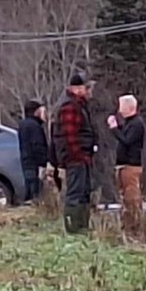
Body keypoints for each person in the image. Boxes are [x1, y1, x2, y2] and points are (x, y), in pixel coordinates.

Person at [52, 72, 97, 234]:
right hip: (76, 159)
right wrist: (77, 155)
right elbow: (70, 136)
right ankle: (73, 229)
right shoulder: (70, 107)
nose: (89, 91)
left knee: (84, 193)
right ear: (77, 89)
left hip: (82, 158)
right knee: (75, 194)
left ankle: (82, 227)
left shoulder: (80, 106)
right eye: (87, 88)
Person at [108, 94, 146, 232]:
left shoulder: (137, 124)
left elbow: (127, 140)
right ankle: (128, 225)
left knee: (132, 198)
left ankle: (135, 225)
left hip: (131, 166)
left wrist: (114, 129)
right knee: (125, 198)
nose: (119, 110)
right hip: (124, 166)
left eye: (121, 106)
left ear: (129, 107)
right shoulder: (129, 123)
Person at [17, 101, 49, 203]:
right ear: (36, 112)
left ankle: (28, 203)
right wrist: (44, 161)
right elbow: (37, 145)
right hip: (34, 162)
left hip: (25, 159)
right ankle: (34, 204)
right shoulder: (34, 126)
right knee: (35, 187)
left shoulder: (23, 125)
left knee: (29, 184)